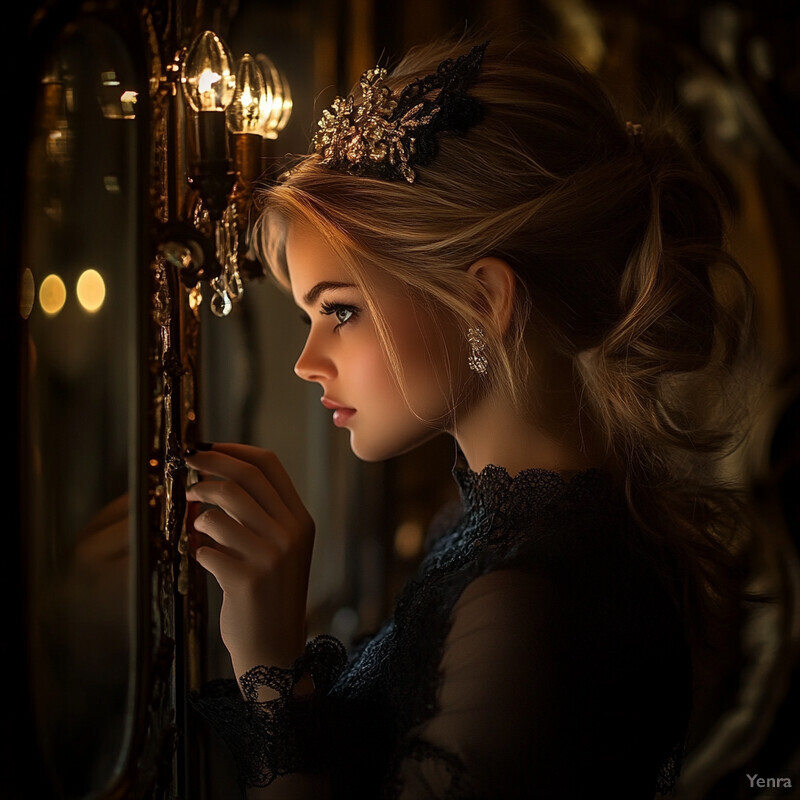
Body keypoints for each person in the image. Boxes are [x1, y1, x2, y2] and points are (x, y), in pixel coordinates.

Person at [186, 32, 761, 799]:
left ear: (486, 302)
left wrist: (266, 660)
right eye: (309, 319)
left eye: (343, 312)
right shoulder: (489, 532)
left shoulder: (528, 604)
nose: (306, 361)